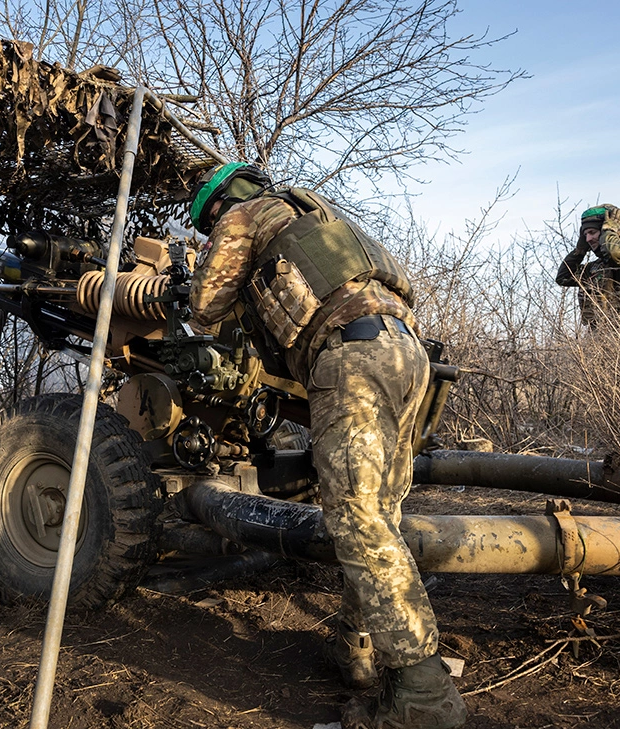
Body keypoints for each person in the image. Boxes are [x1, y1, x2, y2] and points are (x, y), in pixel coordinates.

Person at [187, 162, 466, 729]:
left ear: (216, 206)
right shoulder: (320, 217)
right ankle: (358, 652)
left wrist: (190, 278)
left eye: (207, 223)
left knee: (358, 521)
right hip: (407, 354)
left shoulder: (241, 216)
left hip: (350, 359)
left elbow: (204, 306)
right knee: (380, 515)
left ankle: (424, 697)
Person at [556, 204, 620, 332]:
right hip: (602, 345)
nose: (588, 239)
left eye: (592, 233)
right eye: (585, 235)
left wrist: (609, 230)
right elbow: (564, 277)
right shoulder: (596, 268)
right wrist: (579, 251)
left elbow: (614, 251)